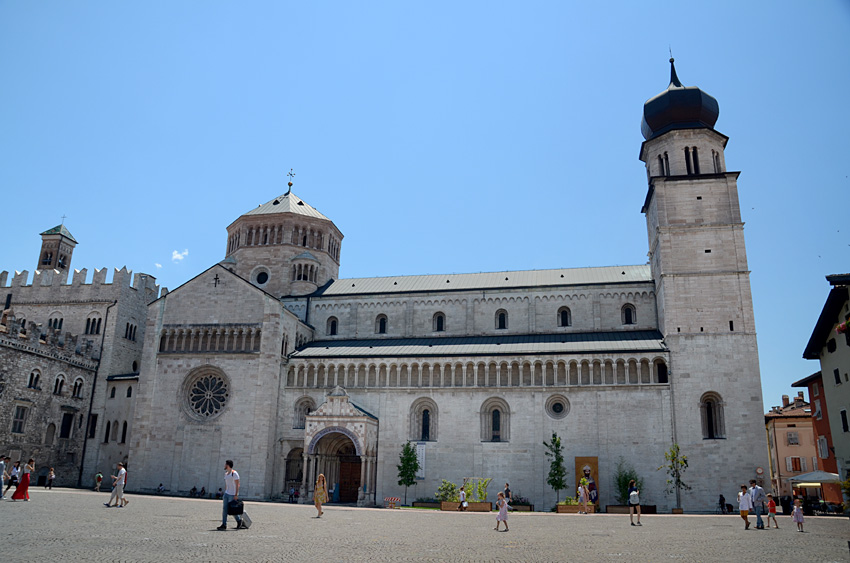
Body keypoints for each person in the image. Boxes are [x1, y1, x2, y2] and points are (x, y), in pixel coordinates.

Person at [218, 460, 243, 530]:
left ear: (228, 465)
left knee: (232, 509)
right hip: (226, 494)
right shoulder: (226, 474)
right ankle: (224, 524)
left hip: (232, 494)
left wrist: (236, 495)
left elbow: (238, 484)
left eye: (225, 464)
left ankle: (239, 520)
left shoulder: (234, 473)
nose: (224, 465)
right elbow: (227, 484)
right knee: (225, 509)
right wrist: (225, 492)